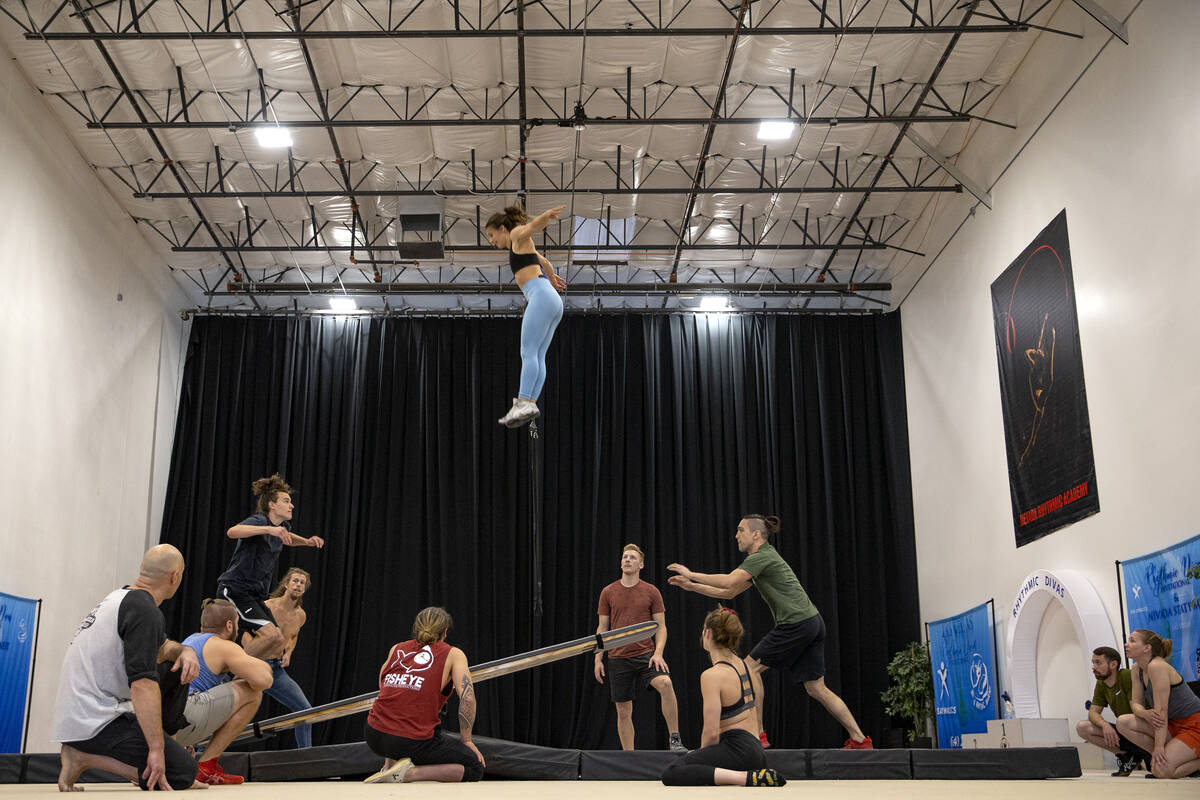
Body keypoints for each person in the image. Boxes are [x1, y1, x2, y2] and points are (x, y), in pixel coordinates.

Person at [667, 514, 872, 750]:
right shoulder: (763, 561)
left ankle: (758, 734)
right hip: (813, 622)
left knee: (749, 668)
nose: (736, 535)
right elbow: (729, 592)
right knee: (816, 687)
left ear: (756, 534)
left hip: (796, 623)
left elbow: (728, 580)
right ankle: (860, 739)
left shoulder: (761, 556)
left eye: (740, 530)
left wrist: (691, 573)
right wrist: (693, 587)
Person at [53, 544, 203, 791]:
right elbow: (142, 685)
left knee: (176, 669)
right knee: (183, 774)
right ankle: (82, 757)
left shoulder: (123, 598)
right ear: (175, 577)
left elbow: (163, 649)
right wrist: (156, 750)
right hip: (93, 720)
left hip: (79, 713)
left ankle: (163, 755)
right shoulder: (144, 611)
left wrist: (186, 651)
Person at [661, 608, 784, 787]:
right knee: (691, 759)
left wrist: (699, 759)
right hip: (756, 752)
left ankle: (745, 778)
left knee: (672, 771)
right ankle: (751, 774)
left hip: (738, 750)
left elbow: (711, 733)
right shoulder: (746, 666)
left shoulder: (713, 675)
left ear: (708, 633)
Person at [362, 607, 486, 783]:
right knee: (474, 768)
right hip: (409, 741)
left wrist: (390, 756)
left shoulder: (397, 648)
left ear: (416, 628)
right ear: (445, 631)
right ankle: (408, 774)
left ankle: (390, 766)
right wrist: (467, 740)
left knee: (401, 734)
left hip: (373, 735)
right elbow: (467, 697)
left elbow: (386, 690)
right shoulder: (453, 654)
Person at [217, 474, 324, 660]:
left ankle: (241, 672)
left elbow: (288, 538)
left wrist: (307, 542)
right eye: (286, 501)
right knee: (270, 636)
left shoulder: (282, 527)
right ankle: (230, 671)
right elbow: (232, 532)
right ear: (272, 505)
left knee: (276, 641)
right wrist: (268, 530)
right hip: (235, 590)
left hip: (255, 595)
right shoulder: (261, 521)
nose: (292, 505)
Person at [594, 544, 686, 751]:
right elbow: (602, 628)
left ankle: (675, 739)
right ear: (621, 563)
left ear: (641, 564)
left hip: (646, 654)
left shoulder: (651, 591)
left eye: (632, 557)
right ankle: (630, 756)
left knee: (666, 684)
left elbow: (661, 627)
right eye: (625, 557)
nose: (627, 560)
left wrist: (659, 653)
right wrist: (598, 659)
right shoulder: (608, 592)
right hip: (617, 657)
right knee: (623, 711)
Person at [174, 598, 274, 784]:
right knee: (252, 691)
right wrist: (264, 664)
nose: (237, 629)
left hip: (168, 723)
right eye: (237, 623)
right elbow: (264, 681)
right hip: (186, 717)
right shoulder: (222, 645)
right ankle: (206, 766)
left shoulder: (190, 640)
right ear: (229, 625)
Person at [484, 202, 567, 428]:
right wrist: (552, 278)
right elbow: (545, 262)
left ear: (503, 228)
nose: (492, 241)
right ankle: (530, 402)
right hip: (552, 300)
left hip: (540, 297)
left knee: (528, 352)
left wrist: (545, 216)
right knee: (538, 355)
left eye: (492, 235)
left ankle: (523, 402)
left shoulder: (517, 236)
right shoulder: (522, 247)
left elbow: (531, 227)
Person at [1116, 629, 1200, 779]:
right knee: (1122, 722)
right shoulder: (1136, 669)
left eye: (1132, 640)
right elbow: (1136, 704)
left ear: (1147, 648)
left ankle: (1171, 759)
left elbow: (1162, 711)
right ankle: (1164, 758)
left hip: (1194, 724)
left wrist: (1159, 746)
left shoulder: (1157, 666)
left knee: (1161, 772)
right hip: (1171, 724)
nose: (1126, 644)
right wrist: (1144, 713)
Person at [1075, 645, 1149, 776]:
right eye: (1093, 662)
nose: (1093, 667)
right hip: (1125, 730)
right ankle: (1126, 756)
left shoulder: (1126, 675)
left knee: (1122, 721)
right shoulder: (1102, 683)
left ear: (1113, 664)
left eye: (1098, 663)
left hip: (1143, 731)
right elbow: (1093, 712)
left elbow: (1137, 710)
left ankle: (1145, 751)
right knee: (1082, 727)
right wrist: (1104, 725)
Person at [263, 567, 315, 748]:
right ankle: (201, 757)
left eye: (302, 583)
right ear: (286, 584)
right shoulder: (267, 606)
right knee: (228, 710)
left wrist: (289, 652)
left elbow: (293, 636)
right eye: (295, 581)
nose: (298, 585)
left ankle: (305, 762)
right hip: (254, 665)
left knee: (305, 711)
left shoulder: (301, 615)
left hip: (276, 670)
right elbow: (247, 633)